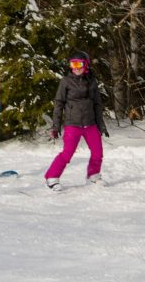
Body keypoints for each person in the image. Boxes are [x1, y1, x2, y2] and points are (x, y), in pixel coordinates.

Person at [44, 52, 108, 191]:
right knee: (67, 153)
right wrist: (56, 126)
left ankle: (94, 175)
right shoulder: (66, 81)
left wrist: (101, 125)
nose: (76, 67)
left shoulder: (92, 82)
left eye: (79, 64)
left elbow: (97, 104)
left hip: (90, 123)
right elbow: (59, 103)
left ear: (86, 65)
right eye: (73, 64)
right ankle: (52, 177)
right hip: (73, 124)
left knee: (98, 152)